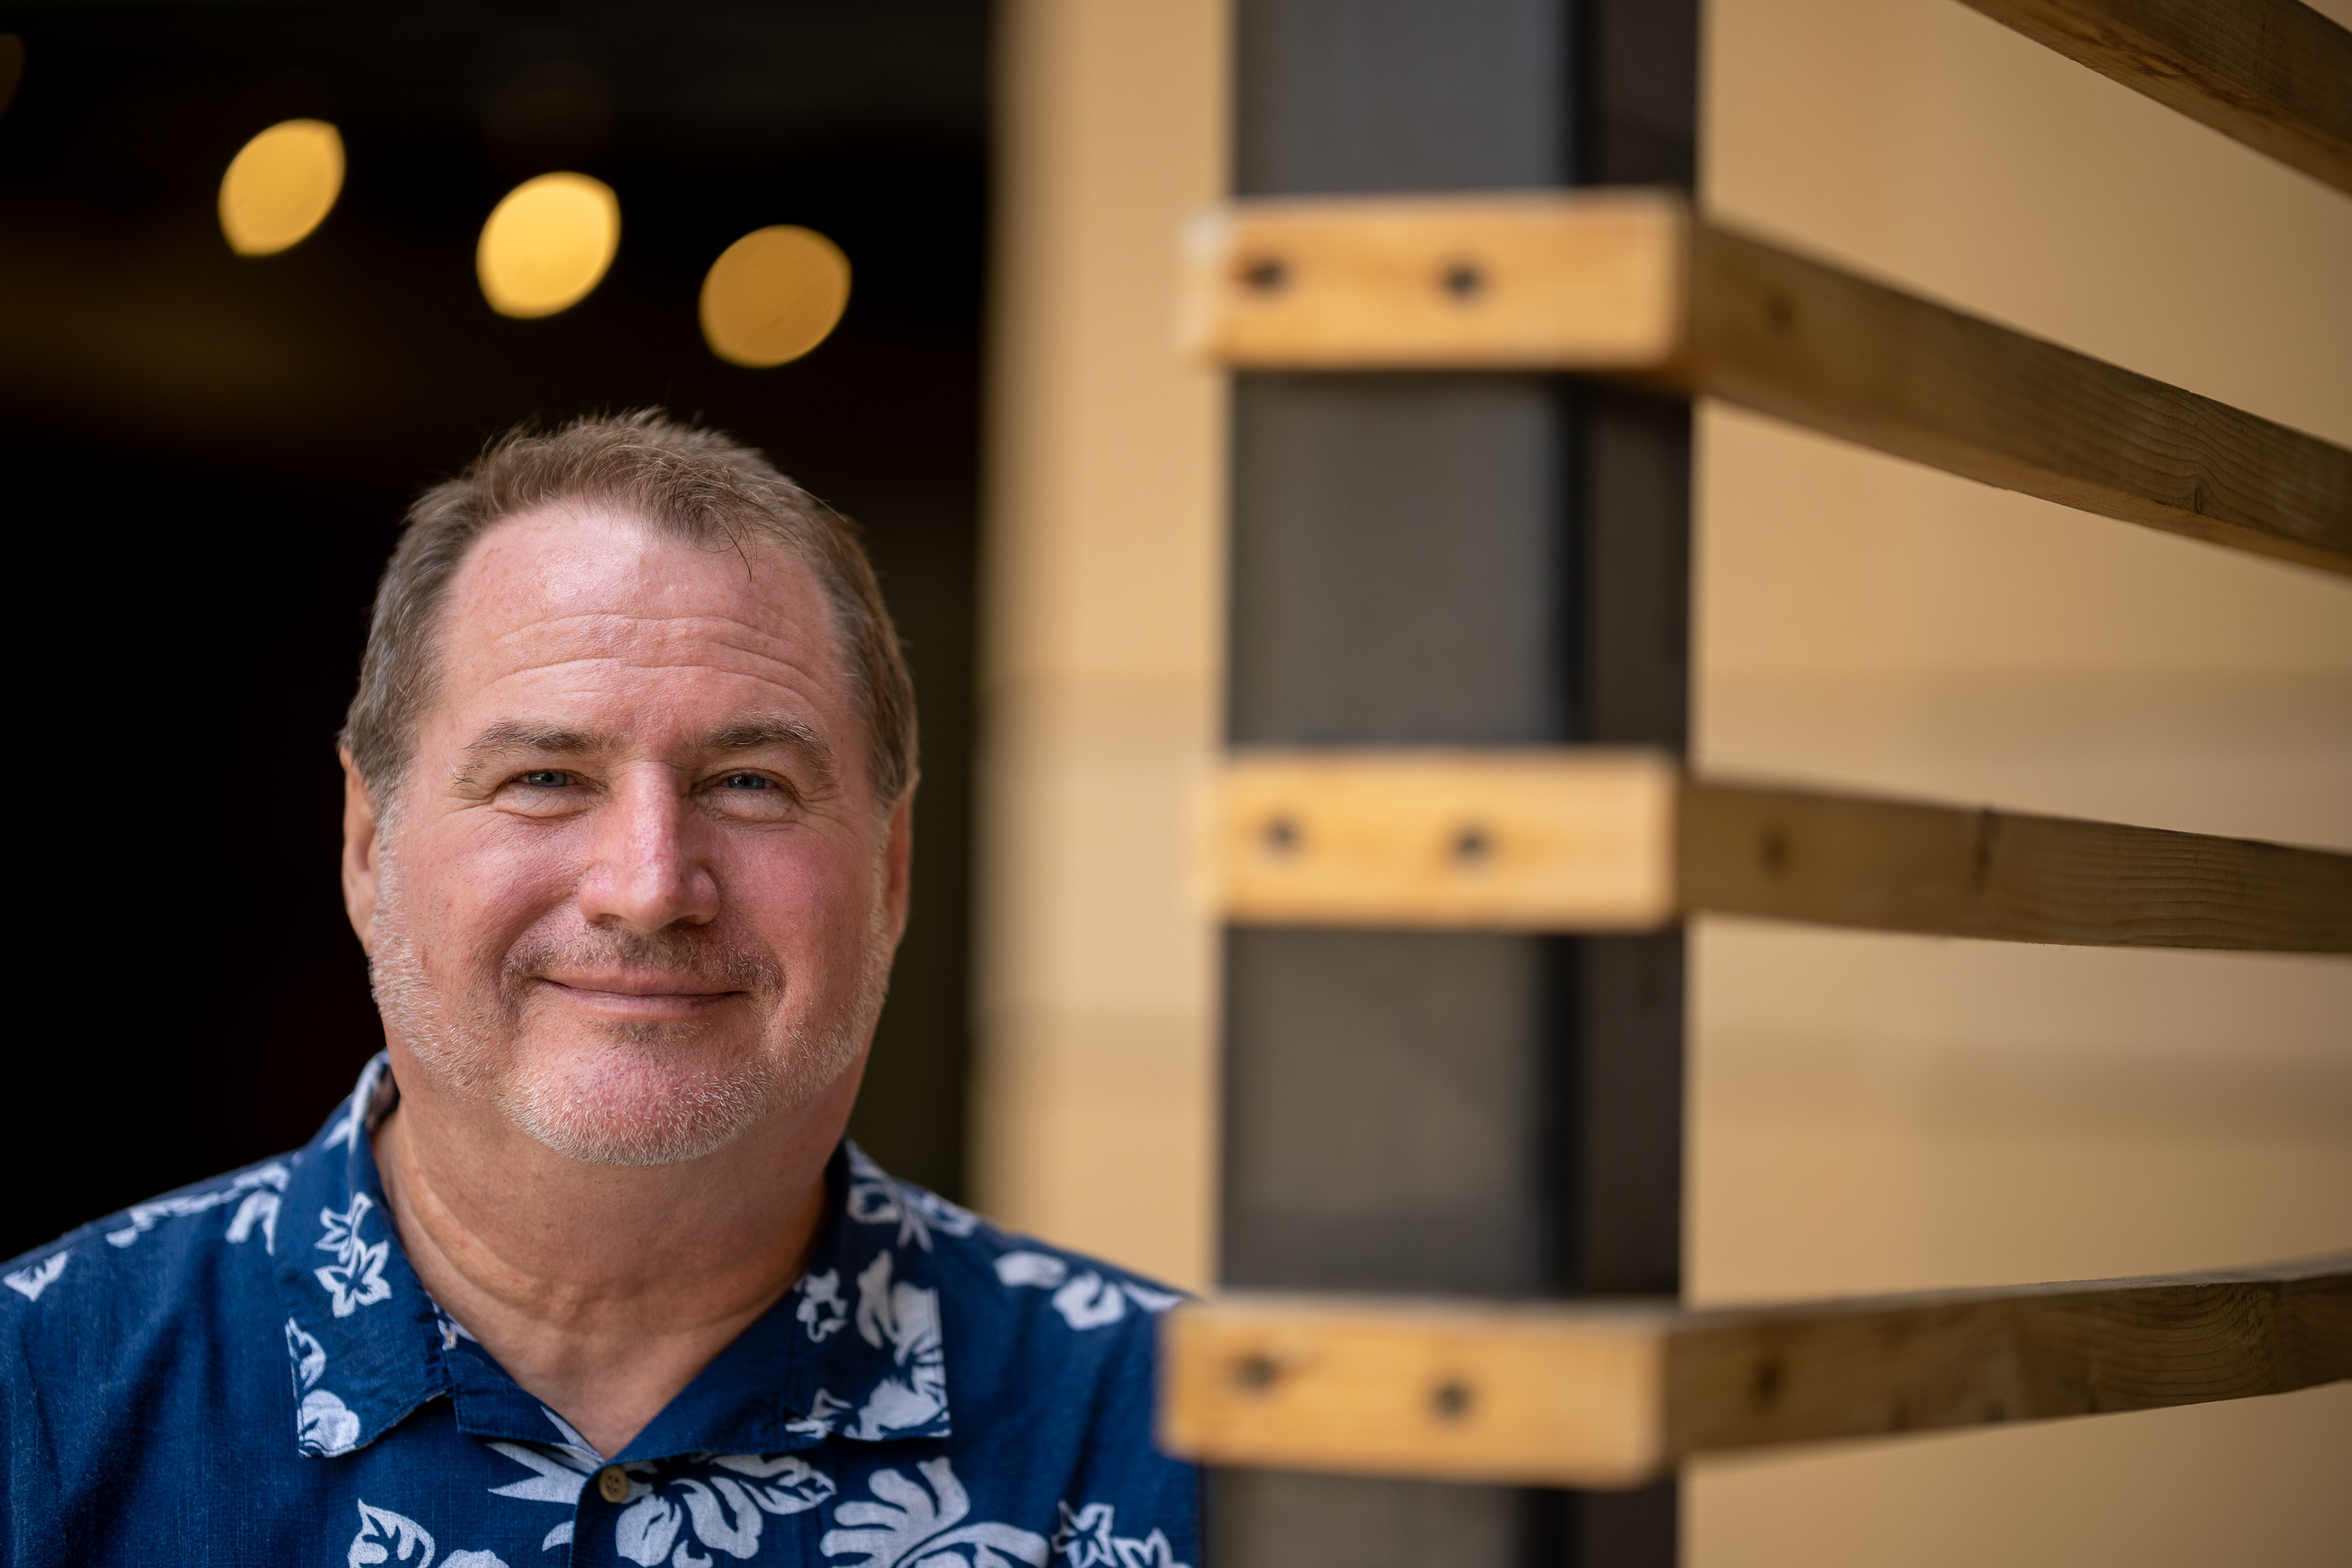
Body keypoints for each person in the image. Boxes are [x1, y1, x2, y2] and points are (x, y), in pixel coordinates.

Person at [2, 412, 1198, 1568]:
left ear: (890, 871)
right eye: (544, 775)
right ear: (369, 845)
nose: (649, 885)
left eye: (748, 783)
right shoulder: (37, 1401)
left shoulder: (1195, 1448)